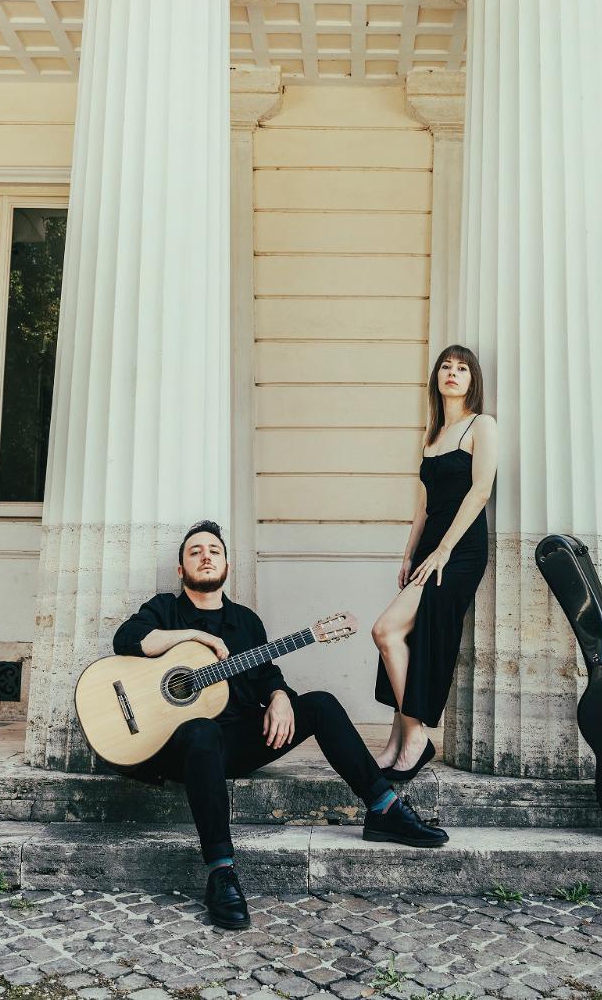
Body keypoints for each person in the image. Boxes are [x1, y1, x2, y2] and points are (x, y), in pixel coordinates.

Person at [111, 520, 448, 931]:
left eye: (214, 551)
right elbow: (126, 638)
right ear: (181, 571)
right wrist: (192, 638)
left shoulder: (246, 622)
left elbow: (268, 674)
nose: (205, 556)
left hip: (237, 743)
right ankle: (222, 873)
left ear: (227, 567)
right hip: (181, 747)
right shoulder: (163, 610)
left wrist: (280, 697)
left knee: (321, 704)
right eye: (195, 551)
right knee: (201, 730)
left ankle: (383, 808)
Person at [372, 345, 498, 781]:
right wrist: (410, 553)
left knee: (387, 630)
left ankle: (417, 735)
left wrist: (443, 549)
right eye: (446, 366)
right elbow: (424, 505)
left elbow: (480, 490)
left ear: (472, 381)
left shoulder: (482, 425)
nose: (452, 372)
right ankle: (397, 741)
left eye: (462, 368)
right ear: (437, 379)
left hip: (460, 550)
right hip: (430, 549)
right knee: (408, 638)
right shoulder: (431, 435)